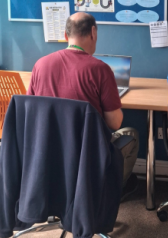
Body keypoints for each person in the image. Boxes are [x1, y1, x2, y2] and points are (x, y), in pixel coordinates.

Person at [27, 12, 139, 200]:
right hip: (88, 151)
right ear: (93, 33)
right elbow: (114, 123)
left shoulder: (40, 65)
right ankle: (107, 192)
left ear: (65, 36)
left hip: (49, 148)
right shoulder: (100, 69)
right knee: (132, 135)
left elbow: (31, 112)